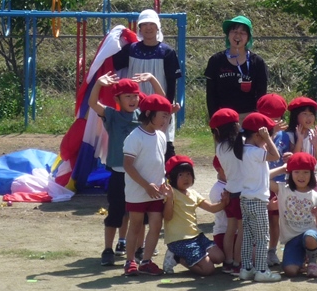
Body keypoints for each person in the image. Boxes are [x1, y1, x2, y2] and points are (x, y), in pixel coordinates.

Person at [88, 72, 165, 266]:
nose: (132, 99)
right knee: (116, 212)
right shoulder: (112, 115)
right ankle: (108, 248)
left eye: (135, 95)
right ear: (117, 99)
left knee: (139, 215)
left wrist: (153, 80)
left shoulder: (143, 116)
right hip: (120, 173)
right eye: (127, 96)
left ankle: (139, 249)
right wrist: (98, 84)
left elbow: (161, 102)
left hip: (141, 176)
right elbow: (92, 103)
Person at [113, 8, 182, 160]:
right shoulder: (131, 50)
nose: (148, 27)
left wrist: (167, 108)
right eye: (144, 24)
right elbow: (113, 63)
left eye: (152, 24)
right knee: (136, 147)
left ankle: (168, 180)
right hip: (135, 106)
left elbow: (172, 82)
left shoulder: (167, 52)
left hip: (159, 105)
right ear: (140, 28)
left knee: (164, 146)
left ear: (158, 27)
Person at [121, 93, 173, 276]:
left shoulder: (160, 136)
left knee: (156, 224)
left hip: (156, 192)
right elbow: (127, 165)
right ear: (149, 113)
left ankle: (146, 260)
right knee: (135, 225)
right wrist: (146, 185)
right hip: (138, 191)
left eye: (168, 116)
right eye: (163, 115)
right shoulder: (135, 137)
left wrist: (163, 184)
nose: (166, 120)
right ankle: (129, 261)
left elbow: (159, 163)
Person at [160, 155, 227, 275]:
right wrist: (169, 199)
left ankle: (198, 258)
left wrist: (224, 202)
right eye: (181, 175)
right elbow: (167, 217)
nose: (186, 178)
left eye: (188, 174)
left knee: (220, 257)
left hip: (197, 236)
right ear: (172, 177)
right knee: (208, 269)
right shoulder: (171, 193)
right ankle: (175, 257)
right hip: (179, 240)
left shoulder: (193, 193)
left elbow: (212, 208)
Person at [235, 111, 282, 282]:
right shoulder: (254, 152)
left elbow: (264, 169)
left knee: (248, 236)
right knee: (263, 238)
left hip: (246, 199)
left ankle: (246, 268)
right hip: (257, 201)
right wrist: (269, 138)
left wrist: (269, 134)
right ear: (257, 135)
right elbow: (275, 155)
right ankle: (262, 270)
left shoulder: (245, 150)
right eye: (264, 136)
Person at [204, 15, 269, 119]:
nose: (238, 36)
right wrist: (214, 119)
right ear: (228, 35)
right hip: (224, 117)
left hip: (249, 117)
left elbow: (262, 95)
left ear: (248, 37)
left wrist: (258, 120)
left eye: (242, 32)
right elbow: (211, 95)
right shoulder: (216, 61)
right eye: (234, 31)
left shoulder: (257, 62)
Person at [274, 152, 317, 278]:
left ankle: (313, 262)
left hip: (310, 234)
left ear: (312, 174)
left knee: (309, 236)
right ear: (290, 173)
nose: (301, 176)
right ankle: (302, 259)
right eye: (296, 172)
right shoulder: (282, 190)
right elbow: (263, 177)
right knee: (290, 271)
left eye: (306, 172)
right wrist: (282, 169)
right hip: (291, 239)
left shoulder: (316, 196)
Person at [210, 107, 245, 274]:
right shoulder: (241, 144)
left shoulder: (220, 148)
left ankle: (229, 262)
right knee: (242, 230)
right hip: (241, 193)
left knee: (231, 229)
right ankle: (238, 263)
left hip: (229, 191)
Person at [257, 92, 289, 268]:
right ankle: (258, 250)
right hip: (260, 182)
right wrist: (270, 134)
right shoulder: (256, 135)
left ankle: (272, 250)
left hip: (279, 182)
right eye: (269, 117)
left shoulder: (285, 135)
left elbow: (289, 153)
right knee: (261, 218)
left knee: (275, 218)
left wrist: (290, 156)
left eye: (278, 117)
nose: (274, 121)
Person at [287, 96, 317, 193]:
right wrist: (300, 140)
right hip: (295, 176)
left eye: (311, 114)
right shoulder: (289, 135)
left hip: (312, 175)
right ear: (295, 116)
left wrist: (316, 145)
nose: (309, 118)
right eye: (304, 114)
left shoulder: (316, 134)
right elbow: (293, 157)